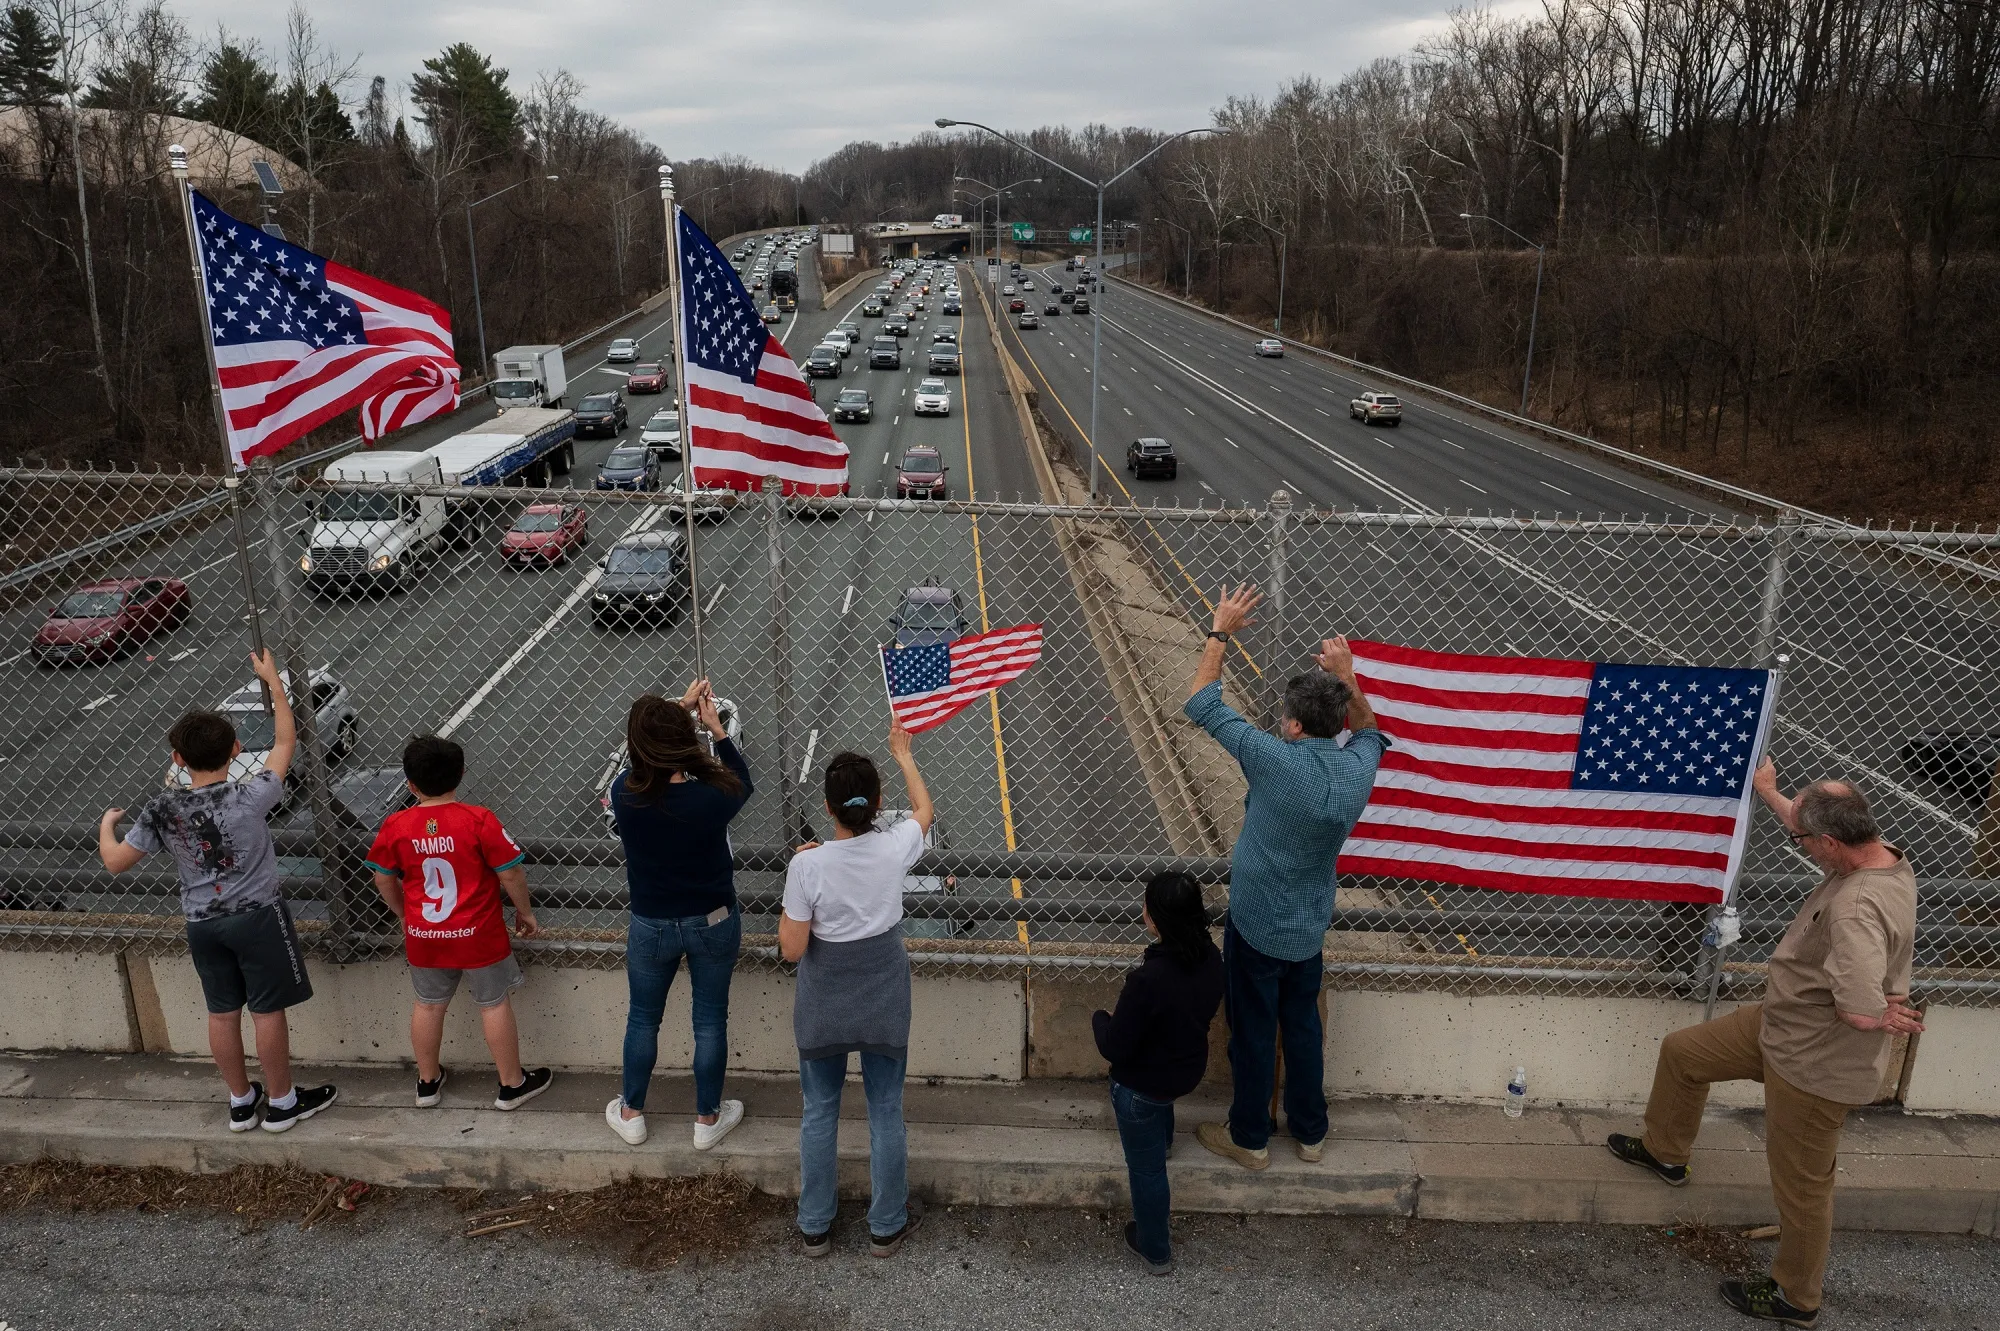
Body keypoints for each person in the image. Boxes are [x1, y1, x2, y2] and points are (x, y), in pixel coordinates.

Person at [1607, 763, 1919, 1329]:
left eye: (1801, 839)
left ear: (1828, 841)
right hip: (1779, 1025)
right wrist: (1770, 792)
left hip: (1815, 1065)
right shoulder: (1882, 855)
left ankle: (1795, 1296)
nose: (1794, 844)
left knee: (1802, 1188)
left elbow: (1855, 1000)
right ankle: (1665, 1152)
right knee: (1684, 1053)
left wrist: (1878, 1016)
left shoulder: (1855, 907)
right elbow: (1808, 828)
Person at [1182, 585, 1387, 1170]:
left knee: (1252, 1032)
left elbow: (1201, 701)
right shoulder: (1355, 770)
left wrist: (1220, 632)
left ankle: (1249, 1138)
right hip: (1309, 926)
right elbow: (1370, 731)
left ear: (1295, 726)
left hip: (1256, 923)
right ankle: (1310, 1132)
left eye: (1285, 717)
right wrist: (1348, 678)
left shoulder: (1272, 759)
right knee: (1302, 1028)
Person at [97, 649, 337, 1133]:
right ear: (235, 749)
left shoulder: (163, 808)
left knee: (222, 1012)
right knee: (267, 1009)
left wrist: (107, 825)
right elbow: (287, 739)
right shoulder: (253, 795)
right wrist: (273, 683)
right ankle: (284, 1102)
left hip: (202, 923)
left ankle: (240, 1101)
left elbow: (116, 862)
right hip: (258, 917)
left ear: (177, 759)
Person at [779, 722, 931, 1259]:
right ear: (877, 804)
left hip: (824, 1002)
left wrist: (805, 870)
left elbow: (792, 949)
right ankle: (886, 1225)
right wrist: (904, 755)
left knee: (819, 1110)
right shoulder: (893, 851)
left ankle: (815, 1225)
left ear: (828, 807)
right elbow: (924, 815)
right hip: (884, 995)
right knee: (885, 1108)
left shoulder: (807, 865)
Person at [366, 735, 553, 1111]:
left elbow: (383, 877)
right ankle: (511, 1084)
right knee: (493, 1004)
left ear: (410, 784)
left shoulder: (397, 825)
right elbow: (510, 873)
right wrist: (525, 911)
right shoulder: (478, 819)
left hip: (425, 934)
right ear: (461, 774)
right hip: (477, 933)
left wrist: (404, 915)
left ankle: (427, 1081)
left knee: (428, 1005)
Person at [604, 681, 753, 1149]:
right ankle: (706, 1119)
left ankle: (631, 1112)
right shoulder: (710, 798)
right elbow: (741, 779)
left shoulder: (624, 796)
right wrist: (713, 729)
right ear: (685, 744)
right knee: (709, 1020)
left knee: (643, 1018)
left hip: (651, 923)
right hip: (712, 919)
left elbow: (643, 749)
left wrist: (678, 710)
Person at [1092, 871, 1225, 1275]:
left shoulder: (1147, 980)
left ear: (1155, 919)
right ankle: (1164, 1140)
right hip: (1186, 1070)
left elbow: (1115, 1046)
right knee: (1160, 1097)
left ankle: (1155, 1248)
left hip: (1142, 1086)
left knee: (1147, 1169)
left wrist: (1101, 1018)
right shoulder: (1212, 959)